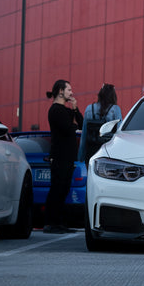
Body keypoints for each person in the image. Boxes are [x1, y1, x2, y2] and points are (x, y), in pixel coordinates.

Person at [43, 79, 83, 234]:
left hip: (68, 157)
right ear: (60, 91)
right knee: (57, 189)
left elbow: (81, 124)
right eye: (68, 90)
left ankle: (58, 223)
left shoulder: (66, 110)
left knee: (64, 189)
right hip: (59, 156)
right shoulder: (55, 110)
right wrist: (74, 125)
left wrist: (75, 109)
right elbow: (68, 128)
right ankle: (50, 223)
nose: (71, 93)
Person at [78, 83, 122, 163]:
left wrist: (80, 157)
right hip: (107, 151)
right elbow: (119, 133)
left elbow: (84, 134)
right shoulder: (115, 109)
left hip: (91, 151)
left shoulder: (89, 108)